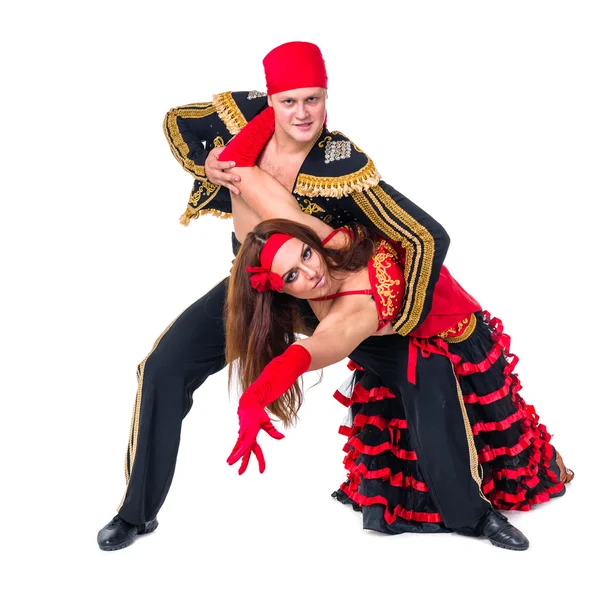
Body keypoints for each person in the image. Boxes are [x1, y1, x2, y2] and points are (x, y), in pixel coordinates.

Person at [97, 41, 453, 551]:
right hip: (256, 288)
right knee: (163, 367)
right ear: (270, 99)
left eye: (313, 100)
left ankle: (464, 506)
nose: (302, 112)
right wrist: (207, 163)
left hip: (325, 292)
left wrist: (404, 314)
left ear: (327, 99)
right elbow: (178, 121)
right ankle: (135, 514)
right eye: (289, 101)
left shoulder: (340, 161)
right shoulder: (239, 120)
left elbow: (426, 235)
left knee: (425, 368)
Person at [224, 215, 573, 550]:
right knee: (430, 424)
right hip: (416, 353)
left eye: (305, 254)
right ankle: (476, 518)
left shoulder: (335, 237)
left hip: (461, 335)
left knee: (500, 436)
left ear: (311, 241)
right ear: (279, 288)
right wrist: (255, 396)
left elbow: (252, 184)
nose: (312, 272)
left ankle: (506, 486)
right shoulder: (347, 314)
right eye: (292, 276)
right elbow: (308, 352)